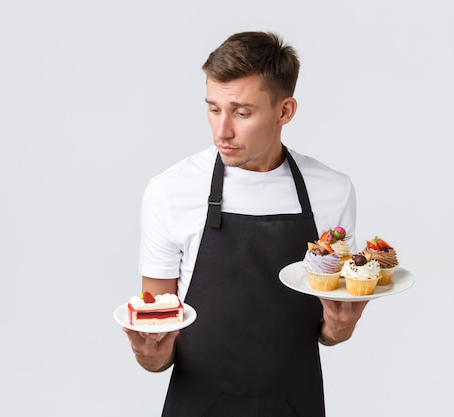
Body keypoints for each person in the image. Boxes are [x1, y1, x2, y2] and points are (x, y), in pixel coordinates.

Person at [123, 31, 368, 417]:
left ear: (285, 111)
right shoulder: (170, 192)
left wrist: (340, 328)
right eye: (213, 109)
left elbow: (329, 328)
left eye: (241, 112)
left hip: (295, 405)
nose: (222, 131)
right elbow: (157, 338)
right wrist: (148, 352)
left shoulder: (331, 192)